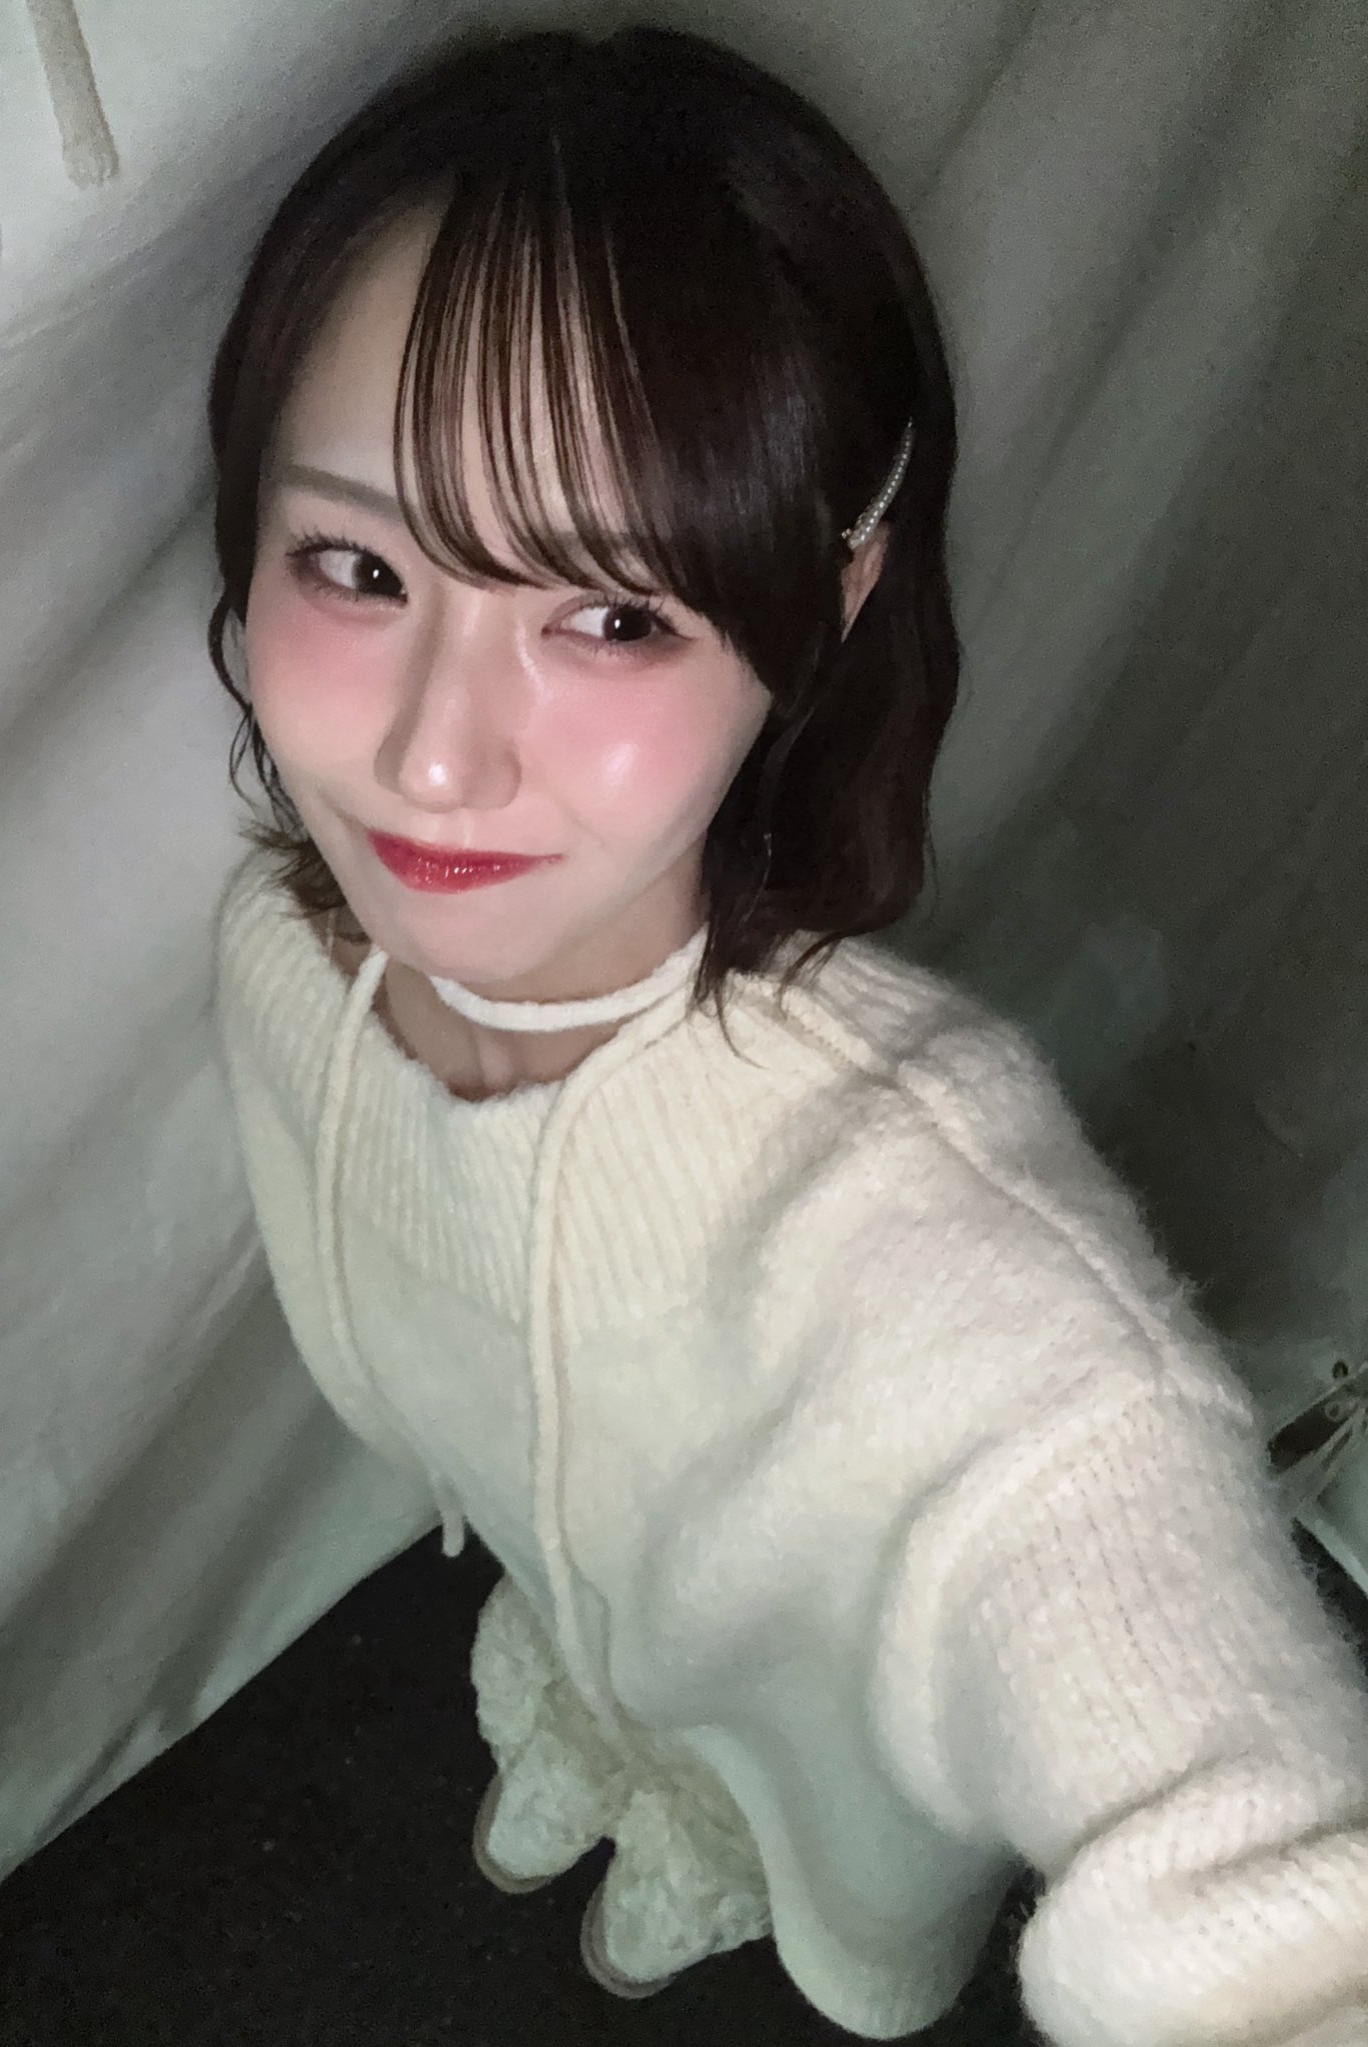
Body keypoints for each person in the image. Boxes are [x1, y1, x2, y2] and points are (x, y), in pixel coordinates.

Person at [207, 22, 1368, 2044]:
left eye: (613, 613)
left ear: (828, 605)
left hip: (829, 1752)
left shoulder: (937, 1245)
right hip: (578, 1603)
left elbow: (1191, 1720)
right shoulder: (283, 954)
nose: (432, 756)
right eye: (360, 565)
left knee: (764, 1821)